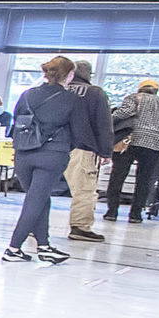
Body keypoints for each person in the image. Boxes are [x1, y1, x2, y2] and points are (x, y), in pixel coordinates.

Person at [5, 56, 79, 264]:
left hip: (24, 154)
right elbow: (79, 130)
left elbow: (17, 120)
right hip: (52, 154)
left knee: (39, 199)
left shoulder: (27, 95)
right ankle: (13, 247)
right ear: (70, 75)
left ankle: (44, 246)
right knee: (35, 201)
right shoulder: (71, 100)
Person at [63, 60, 111, 243]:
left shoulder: (58, 90)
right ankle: (80, 227)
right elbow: (103, 124)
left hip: (53, 147)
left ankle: (33, 225)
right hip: (82, 148)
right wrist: (105, 151)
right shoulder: (95, 93)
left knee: (42, 189)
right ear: (88, 75)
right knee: (84, 190)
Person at [104, 78, 159, 222]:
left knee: (118, 176)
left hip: (130, 141)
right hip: (155, 145)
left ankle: (111, 212)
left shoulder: (134, 98)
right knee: (144, 179)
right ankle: (136, 215)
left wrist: (108, 119)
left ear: (140, 89)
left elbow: (123, 114)